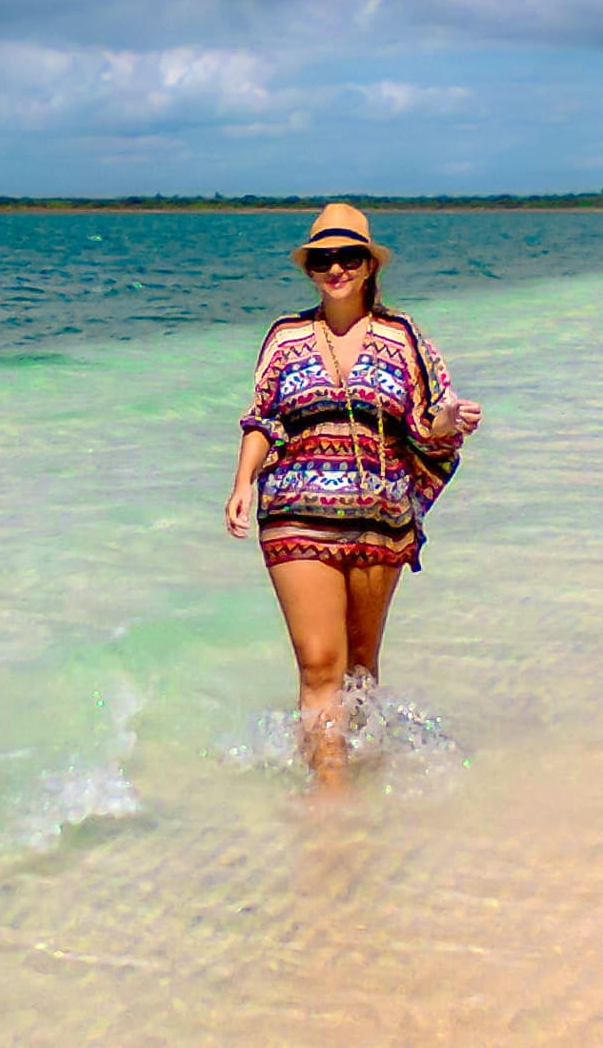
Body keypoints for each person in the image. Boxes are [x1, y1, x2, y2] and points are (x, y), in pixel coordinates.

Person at [225, 203, 481, 787]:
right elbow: (263, 419)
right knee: (320, 666)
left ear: (369, 265)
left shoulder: (405, 336)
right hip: (295, 517)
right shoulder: (286, 337)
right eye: (323, 259)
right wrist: (242, 484)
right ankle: (330, 803)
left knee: (360, 672)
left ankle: (368, 785)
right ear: (310, 268)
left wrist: (445, 422)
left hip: (379, 522)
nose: (335, 268)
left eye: (348, 257)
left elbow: (425, 426)